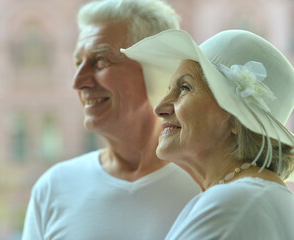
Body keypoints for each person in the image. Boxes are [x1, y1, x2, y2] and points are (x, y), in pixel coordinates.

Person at [21, 1, 200, 239]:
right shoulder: (54, 188)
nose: (78, 82)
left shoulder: (207, 185)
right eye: (78, 62)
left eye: (101, 61)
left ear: (156, 68)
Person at [122, 29, 294, 239]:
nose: (159, 107)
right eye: (169, 89)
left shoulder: (233, 203)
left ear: (235, 118)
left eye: (184, 88)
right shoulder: (257, 196)